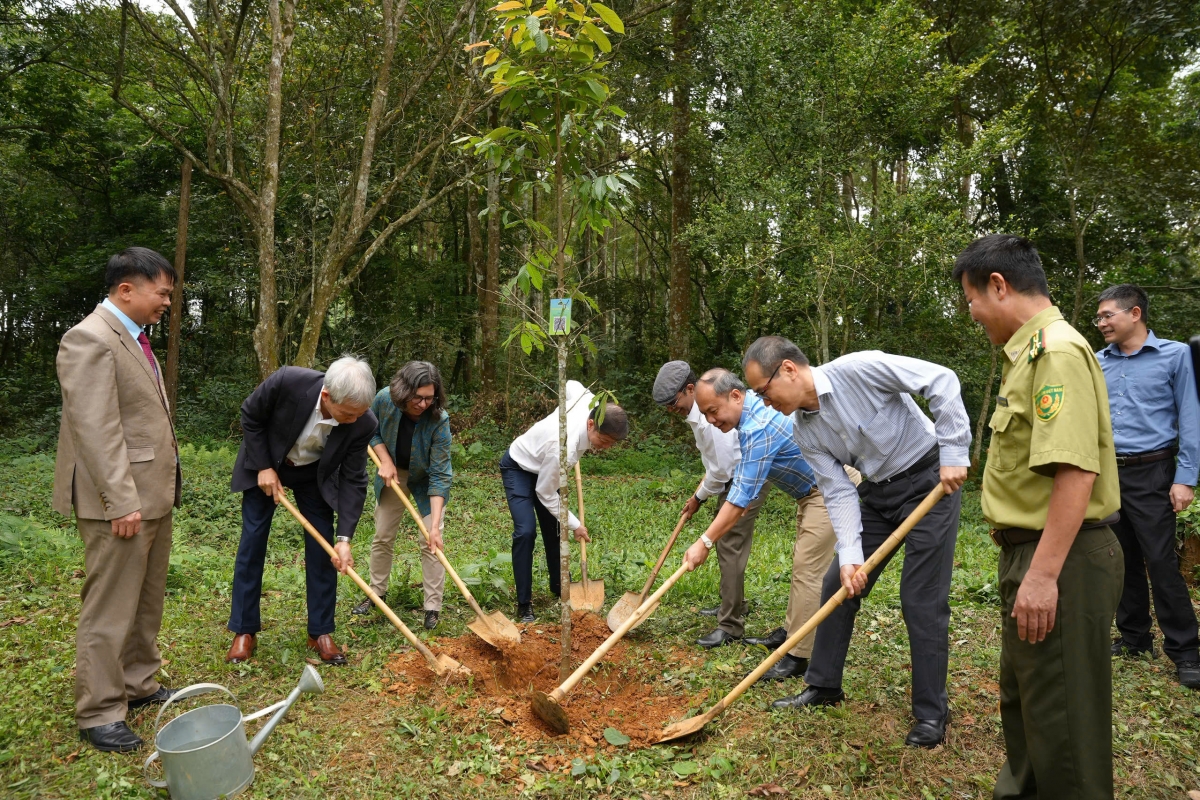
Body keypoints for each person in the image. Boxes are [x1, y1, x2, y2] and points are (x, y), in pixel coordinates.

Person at [741, 336, 970, 747]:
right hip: (877, 495)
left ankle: (932, 714)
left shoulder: (860, 369)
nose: (762, 401)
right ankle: (825, 685)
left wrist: (954, 450)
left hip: (930, 484)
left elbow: (942, 379)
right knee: (837, 584)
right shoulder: (804, 431)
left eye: (763, 390)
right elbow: (839, 491)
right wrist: (849, 555)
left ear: (789, 369)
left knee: (921, 599)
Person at [956, 234, 1122, 798]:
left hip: (1061, 559)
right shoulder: (1029, 354)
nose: (972, 313)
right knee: (1028, 705)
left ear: (997, 286)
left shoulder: (1054, 351)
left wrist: (1044, 575)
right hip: (1033, 554)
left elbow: (1077, 473)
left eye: (971, 300)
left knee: (1063, 723)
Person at [53, 247, 181, 753]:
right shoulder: (89, 338)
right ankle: (100, 709)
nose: (167, 302)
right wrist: (120, 501)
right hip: (121, 502)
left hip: (152, 497)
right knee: (110, 606)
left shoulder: (134, 338)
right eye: (162, 292)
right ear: (126, 289)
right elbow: (95, 429)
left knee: (146, 600)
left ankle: (137, 682)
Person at [681, 369, 836, 679]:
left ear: (736, 396)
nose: (711, 420)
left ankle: (797, 656)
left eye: (714, 411)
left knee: (808, 572)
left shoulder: (757, 426)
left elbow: (740, 498)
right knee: (801, 566)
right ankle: (792, 632)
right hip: (809, 493)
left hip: (829, 490)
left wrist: (704, 542)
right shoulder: (751, 413)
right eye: (706, 413)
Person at [226, 356, 378, 666]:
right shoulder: (287, 381)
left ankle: (320, 631)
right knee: (253, 541)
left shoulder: (363, 421)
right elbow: (251, 416)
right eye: (347, 413)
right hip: (267, 463)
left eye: (359, 413)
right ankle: (244, 631)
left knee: (323, 547)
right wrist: (264, 466)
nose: (353, 420)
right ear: (326, 396)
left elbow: (353, 479)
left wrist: (345, 537)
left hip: (314, 476)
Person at [1095, 284, 1200, 689]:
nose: (1101, 323)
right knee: (1121, 561)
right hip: (1109, 473)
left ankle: (1186, 650)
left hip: (1154, 472)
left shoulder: (1176, 356)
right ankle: (1135, 638)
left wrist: (1185, 477)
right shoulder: (1098, 362)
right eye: (1099, 317)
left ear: (1134, 313)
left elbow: (1191, 416)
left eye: (1108, 316)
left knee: (1161, 562)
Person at [500, 381, 629, 622]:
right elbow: (545, 493)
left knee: (555, 530)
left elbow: (570, 383)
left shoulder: (590, 404)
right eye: (605, 440)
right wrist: (576, 524)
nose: (606, 447)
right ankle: (524, 604)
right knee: (526, 532)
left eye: (613, 443)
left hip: (546, 468)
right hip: (519, 466)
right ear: (591, 424)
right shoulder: (564, 448)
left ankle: (559, 584)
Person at [653, 361, 764, 637]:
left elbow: (723, 468)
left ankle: (729, 624)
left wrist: (699, 497)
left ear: (690, 389)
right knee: (727, 545)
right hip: (731, 478)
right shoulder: (698, 415)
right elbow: (715, 467)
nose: (671, 410)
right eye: (666, 405)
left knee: (728, 544)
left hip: (745, 480)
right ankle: (734, 603)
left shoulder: (710, 417)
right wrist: (697, 499)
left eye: (673, 402)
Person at [353, 361, 453, 630]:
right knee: (383, 534)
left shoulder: (439, 420)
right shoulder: (384, 399)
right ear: (403, 392)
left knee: (430, 541)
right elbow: (369, 429)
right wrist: (385, 460)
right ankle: (376, 593)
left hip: (426, 479)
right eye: (417, 398)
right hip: (393, 473)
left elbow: (441, 474)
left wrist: (434, 526)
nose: (422, 404)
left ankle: (432, 607)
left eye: (429, 398)